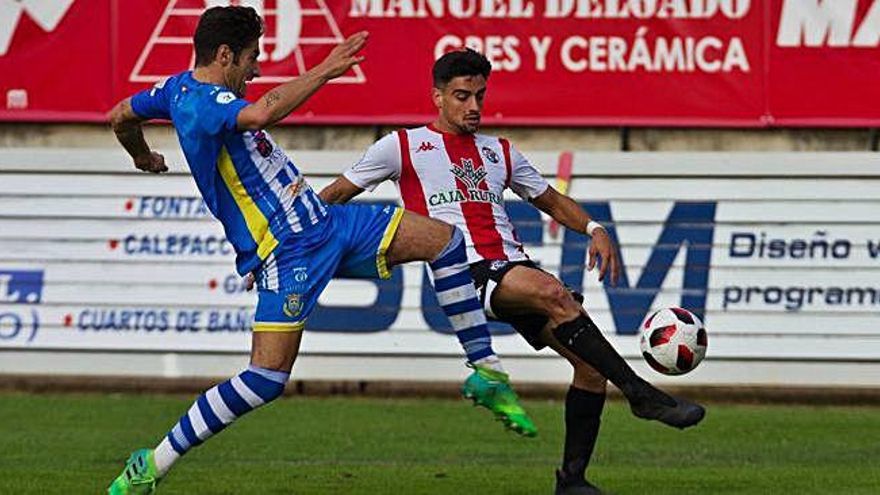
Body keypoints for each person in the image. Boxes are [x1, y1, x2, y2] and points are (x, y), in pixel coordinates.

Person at [105, 8, 535, 494]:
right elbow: (263, 112)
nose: (256, 68)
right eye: (251, 58)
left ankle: (486, 371)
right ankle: (152, 465)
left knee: (446, 240)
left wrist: (141, 154)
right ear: (224, 55)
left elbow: (119, 115)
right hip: (289, 251)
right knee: (266, 379)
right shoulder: (202, 104)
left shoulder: (170, 89)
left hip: (326, 222)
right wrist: (326, 69)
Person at [319, 48, 706, 495]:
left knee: (589, 370)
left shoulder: (499, 152)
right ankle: (641, 394)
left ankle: (572, 480)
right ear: (438, 97)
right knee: (555, 293)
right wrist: (285, 245)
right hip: (463, 270)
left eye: (480, 96)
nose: (474, 107)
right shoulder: (401, 146)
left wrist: (595, 228)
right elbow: (336, 193)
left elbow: (552, 201)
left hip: (510, 266)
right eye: (462, 96)